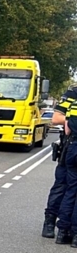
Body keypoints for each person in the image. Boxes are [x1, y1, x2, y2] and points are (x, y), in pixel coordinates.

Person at [43, 86, 77, 237]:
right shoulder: (73, 93)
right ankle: (49, 222)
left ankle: (67, 227)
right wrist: (72, 120)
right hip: (68, 146)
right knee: (61, 186)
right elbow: (56, 118)